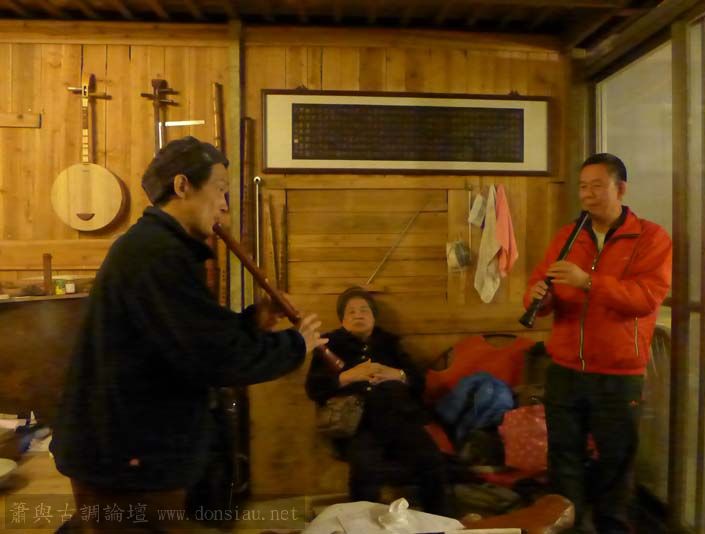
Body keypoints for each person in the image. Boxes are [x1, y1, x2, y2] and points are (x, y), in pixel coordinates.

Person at [51, 136, 327, 532]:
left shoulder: (160, 248)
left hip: (127, 445)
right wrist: (296, 344)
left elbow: (187, 334)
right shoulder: (156, 253)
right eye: (220, 189)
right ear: (182, 186)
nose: (225, 205)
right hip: (125, 452)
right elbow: (213, 357)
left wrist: (253, 321)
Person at [523, 153, 672, 534]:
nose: (587, 195)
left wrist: (588, 282)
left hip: (618, 373)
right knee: (564, 458)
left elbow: (645, 298)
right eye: (583, 187)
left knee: (615, 462)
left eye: (597, 186)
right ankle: (569, 527)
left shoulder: (651, 237)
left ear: (620, 189)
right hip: (565, 368)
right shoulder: (568, 235)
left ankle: (612, 527)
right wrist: (539, 297)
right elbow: (541, 285)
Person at [305, 287, 450, 515]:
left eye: (364, 310)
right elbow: (314, 388)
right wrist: (348, 376)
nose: (358, 315)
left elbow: (418, 382)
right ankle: (362, 525)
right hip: (357, 425)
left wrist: (397, 374)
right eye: (351, 311)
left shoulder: (389, 343)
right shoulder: (329, 345)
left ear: (373, 317)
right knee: (365, 469)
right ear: (342, 319)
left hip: (400, 419)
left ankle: (440, 521)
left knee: (431, 459)